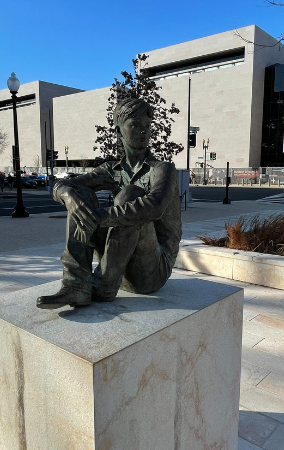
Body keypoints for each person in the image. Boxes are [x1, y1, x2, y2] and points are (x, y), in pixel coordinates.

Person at [36, 97, 181, 309]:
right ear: (118, 131)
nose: (144, 131)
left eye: (148, 126)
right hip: (119, 266)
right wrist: (68, 196)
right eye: (135, 125)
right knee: (81, 195)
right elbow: (65, 185)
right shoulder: (111, 170)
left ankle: (103, 286)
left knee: (129, 195)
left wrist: (100, 217)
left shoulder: (162, 170)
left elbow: (155, 206)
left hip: (150, 272)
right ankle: (76, 285)